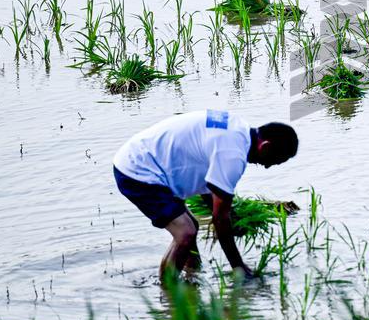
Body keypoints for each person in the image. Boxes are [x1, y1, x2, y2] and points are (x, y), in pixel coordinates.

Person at [112, 110, 298, 281]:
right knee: (185, 233)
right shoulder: (233, 156)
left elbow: (210, 190)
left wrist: (233, 219)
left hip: (146, 158)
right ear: (265, 147)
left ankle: (193, 276)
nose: (267, 166)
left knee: (191, 226)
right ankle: (168, 293)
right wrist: (238, 267)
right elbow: (220, 220)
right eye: (274, 161)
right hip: (138, 170)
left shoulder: (237, 128)